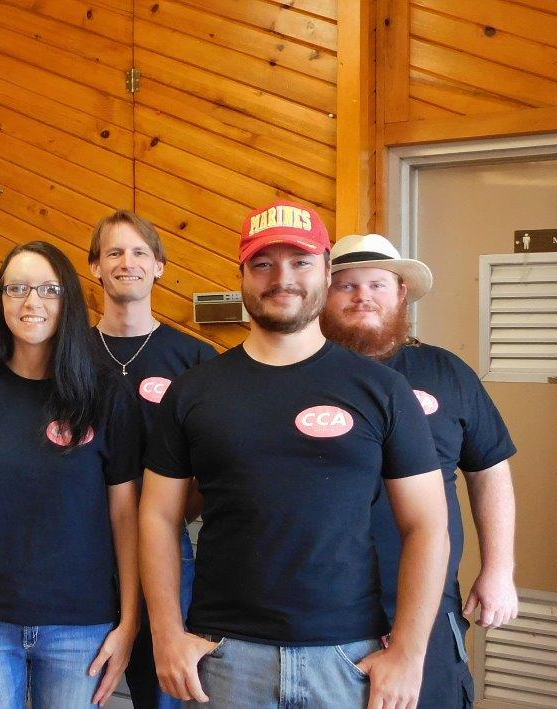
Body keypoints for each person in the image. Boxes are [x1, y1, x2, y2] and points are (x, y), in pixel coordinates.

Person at [139, 201, 450, 708]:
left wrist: (410, 654)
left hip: (348, 658)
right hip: (225, 656)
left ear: (326, 271)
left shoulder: (382, 390)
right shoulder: (194, 391)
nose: (282, 279)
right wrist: (166, 633)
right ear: (242, 274)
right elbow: (157, 515)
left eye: (300, 262)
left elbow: (427, 525)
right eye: (263, 263)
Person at [0, 241, 141, 708]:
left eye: (48, 289)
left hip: (80, 625)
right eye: (16, 288)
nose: (31, 302)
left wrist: (129, 622)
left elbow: (125, 515)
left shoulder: (106, 395)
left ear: (69, 300)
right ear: (0, 299)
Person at [322, 233, 518, 708]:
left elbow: (489, 469)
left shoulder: (447, 372)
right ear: (323, 297)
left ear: (401, 293)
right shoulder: (295, 374)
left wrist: (498, 569)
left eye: (377, 284)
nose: (362, 296)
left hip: (427, 602)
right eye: (346, 285)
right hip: (315, 608)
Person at [86, 210, 215, 709]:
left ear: (159, 266)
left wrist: (181, 510)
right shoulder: (68, 356)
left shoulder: (195, 360)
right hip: (80, 547)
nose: (128, 262)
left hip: (164, 549)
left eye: (140, 252)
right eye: (115, 252)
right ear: (95, 266)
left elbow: (212, 458)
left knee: (163, 691)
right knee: (75, 685)